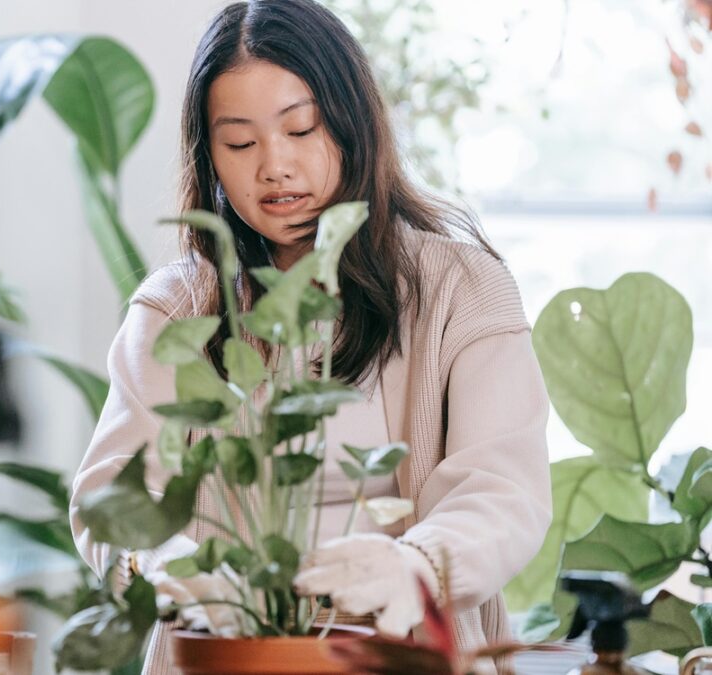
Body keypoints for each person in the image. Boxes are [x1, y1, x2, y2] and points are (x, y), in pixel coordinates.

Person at [70, 1, 551, 673]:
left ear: (354, 125)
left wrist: (416, 565)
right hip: (228, 656)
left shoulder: (461, 288)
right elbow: (111, 506)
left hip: (403, 655)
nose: (275, 165)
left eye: (301, 129)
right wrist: (171, 571)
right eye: (240, 143)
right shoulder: (176, 309)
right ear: (208, 153)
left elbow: (504, 490)